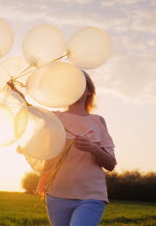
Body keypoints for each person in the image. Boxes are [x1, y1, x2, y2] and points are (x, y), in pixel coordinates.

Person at [10, 71, 117, 226]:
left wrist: (93, 148)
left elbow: (111, 164)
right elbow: (30, 113)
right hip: (57, 194)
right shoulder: (54, 118)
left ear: (89, 91)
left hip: (92, 196)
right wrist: (20, 98)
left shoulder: (98, 121)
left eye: (80, 84)